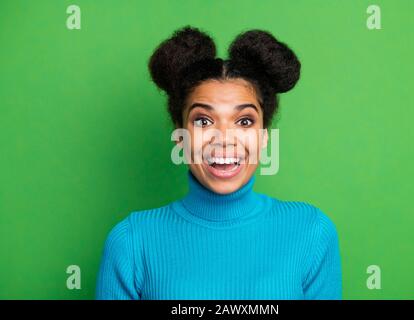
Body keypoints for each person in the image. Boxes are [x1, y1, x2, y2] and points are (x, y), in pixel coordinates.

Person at [95, 25, 342, 300]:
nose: (224, 140)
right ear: (180, 135)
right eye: (203, 120)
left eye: (244, 121)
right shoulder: (131, 242)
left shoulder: (311, 233)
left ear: (264, 136)